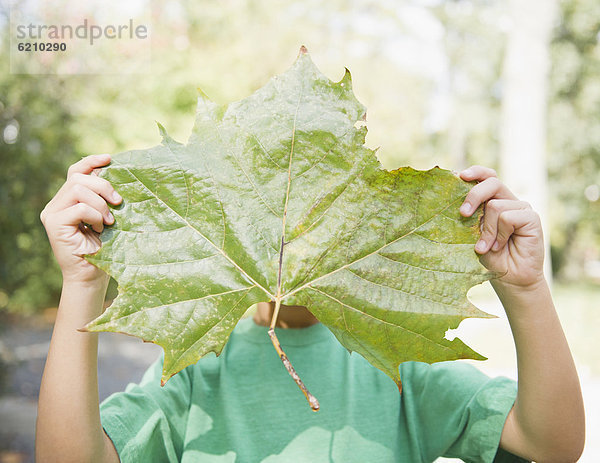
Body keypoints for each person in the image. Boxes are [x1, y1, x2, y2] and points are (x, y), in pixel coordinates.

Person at [36, 154, 585, 462]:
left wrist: (527, 289)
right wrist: (82, 285)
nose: (294, 242)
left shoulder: (394, 358)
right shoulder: (200, 372)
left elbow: (551, 445)